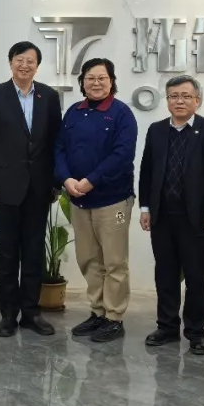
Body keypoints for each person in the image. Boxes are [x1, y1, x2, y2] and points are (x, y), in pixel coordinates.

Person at [0, 41, 62, 338]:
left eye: (30, 61)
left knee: (34, 252)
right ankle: (7, 314)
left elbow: (56, 142)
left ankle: (31, 312)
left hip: (39, 188)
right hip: (5, 188)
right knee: (7, 253)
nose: (24, 65)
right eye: (19, 60)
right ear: (10, 62)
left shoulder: (48, 96)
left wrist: (55, 182)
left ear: (37, 66)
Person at [138, 75, 204, 355]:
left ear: (197, 100)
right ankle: (166, 326)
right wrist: (145, 208)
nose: (179, 101)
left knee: (196, 276)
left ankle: (196, 332)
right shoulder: (156, 130)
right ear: (167, 101)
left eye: (186, 96)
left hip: (197, 218)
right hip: (162, 215)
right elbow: (146, 171)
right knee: (165, 273)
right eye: (174, 96)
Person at [55, 57, 138, 343]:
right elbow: (59, 149)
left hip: (112, 199)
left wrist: (91, 180)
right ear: (82, 82)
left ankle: (114, 317)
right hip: (79, 199)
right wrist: (66, 179)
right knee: (89, 259)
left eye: (102, 78)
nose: (96, 83)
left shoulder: (121, 113)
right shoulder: (74, 112)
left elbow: (122, 154)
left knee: (114, 262)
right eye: (90, 78)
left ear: (111, 81)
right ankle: (98, 311)